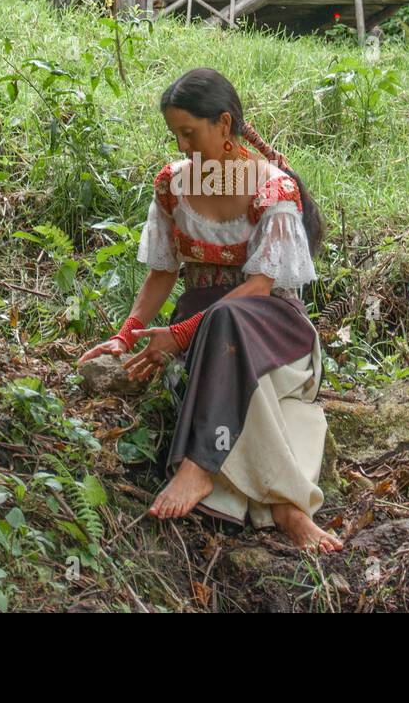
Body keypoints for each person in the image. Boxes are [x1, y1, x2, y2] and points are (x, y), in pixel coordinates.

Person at [78, 67, 343, 554]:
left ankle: (197, 466)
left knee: (226, 322)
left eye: (189, 133)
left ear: (224, 125)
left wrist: (179, 335)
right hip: (207, 340)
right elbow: (163, 273)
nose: (180, 146)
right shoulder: (172, 187)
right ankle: (286, 507)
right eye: (174, 134)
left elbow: (260, 286)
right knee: (233, 360)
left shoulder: (272, 189)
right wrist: (128, 331)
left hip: (275, 333)